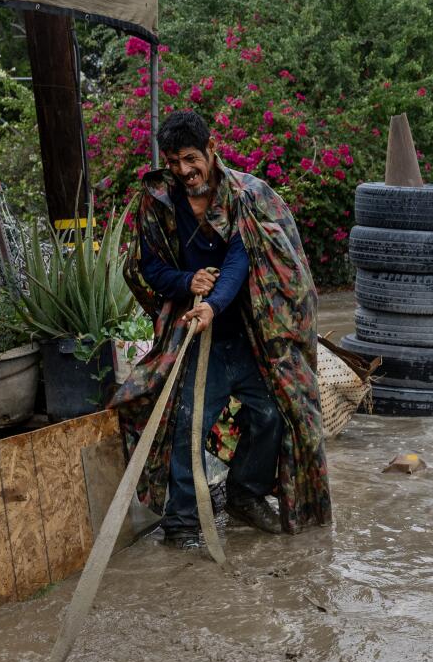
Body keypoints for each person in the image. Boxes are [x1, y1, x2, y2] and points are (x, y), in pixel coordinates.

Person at [116, 109, 330, 547]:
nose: (184, 171)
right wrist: (185, 283)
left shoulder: (246, 197)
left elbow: (239, 258)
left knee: (272, 414)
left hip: (251, 334)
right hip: (195, 336)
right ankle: (180, 524)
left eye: (191, 159)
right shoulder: (157, 199)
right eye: (173, 161)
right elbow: (148, 265)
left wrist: (213, 303)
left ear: (212, 150)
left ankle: (244, 495)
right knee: (190, 422)